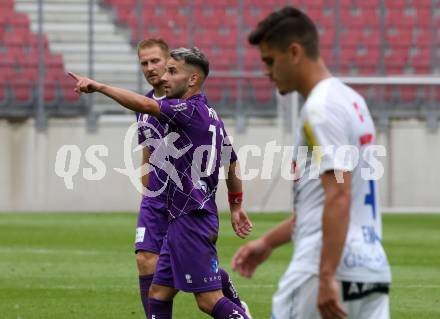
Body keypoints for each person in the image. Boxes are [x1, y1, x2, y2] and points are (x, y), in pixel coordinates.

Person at [231, 6, 392, 319]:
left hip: (325, 266)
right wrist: (266, 243)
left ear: (294, 52)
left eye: (269, 60)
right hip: (371, 268)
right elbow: (325, 203)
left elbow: (339, 195)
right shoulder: (352, 101)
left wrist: (327, 275)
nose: (266, 71)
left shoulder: (319, 109)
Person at [69, 47, 253, 319]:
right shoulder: (212, 116)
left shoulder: (186, 109)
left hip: (191, 218)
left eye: (172, 71)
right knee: (158, 294)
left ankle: (237, 308)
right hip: (185, 217)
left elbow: (146, 105)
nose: (164, 77)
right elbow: (231, 162)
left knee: (208, 300)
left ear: (192, 80)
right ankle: (228, 292)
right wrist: (236, 206)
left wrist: (99, 86)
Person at [134, 38, 251, 317]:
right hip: (160, 199)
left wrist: (100, 87)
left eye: (158, 63)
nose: (153, 70)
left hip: (188, 203)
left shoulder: (189, 107)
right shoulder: (144, 106)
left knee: (205, 294)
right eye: (144, 63)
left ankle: (230, 301)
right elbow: (148, 150)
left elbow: (227, 158)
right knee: (149, 268)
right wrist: (146, 185)